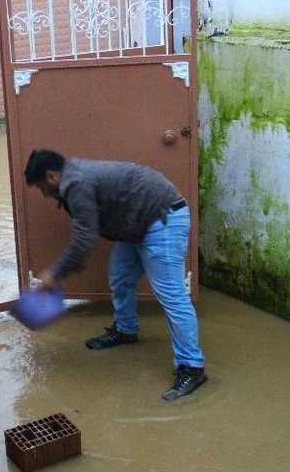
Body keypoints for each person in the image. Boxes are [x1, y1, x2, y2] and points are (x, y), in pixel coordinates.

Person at [24, 149, 207, 401]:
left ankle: (192, 367)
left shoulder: (76, 184)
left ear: (52, 176)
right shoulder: (73, 176)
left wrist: (54, 274)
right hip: (136, 222)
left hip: (162, 218)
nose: (43, 194)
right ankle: (126, 330)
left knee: (172, 295)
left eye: (40, 186)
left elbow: (84, 237)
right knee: (120, 277)